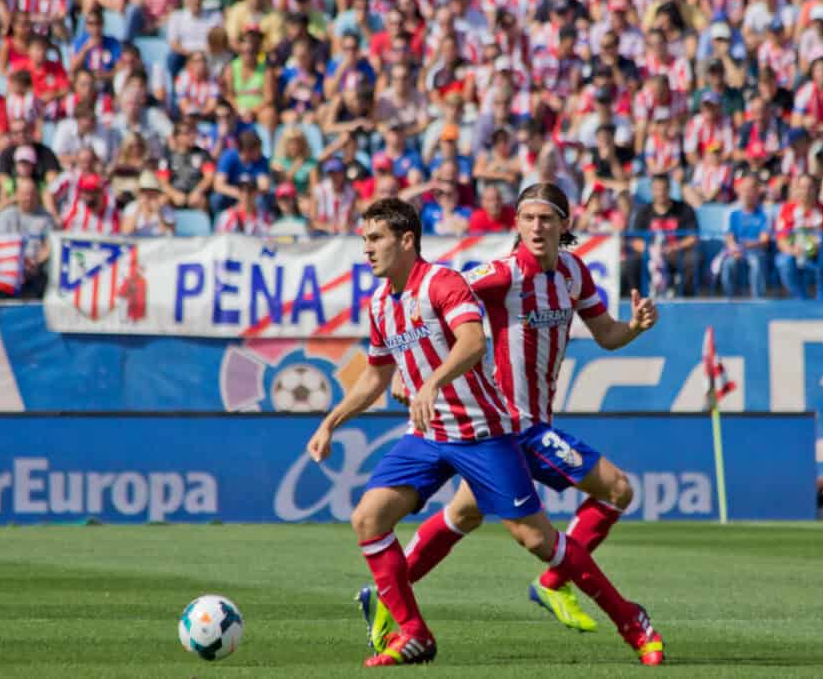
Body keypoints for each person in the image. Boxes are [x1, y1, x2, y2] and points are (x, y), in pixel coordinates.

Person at [307, 197, 663, 667]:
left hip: (486, 430)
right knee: (369, 519)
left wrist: (430, 381)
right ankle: (412, 632)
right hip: (433, 434)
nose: (366, 250)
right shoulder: (380, 306)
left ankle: (629, 619)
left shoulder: (445, 282)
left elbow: (473, 342)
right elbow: (374, 376)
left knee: (535, 538)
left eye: (375, 239)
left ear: (406, 240)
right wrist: (330, 422)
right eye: (364, 241)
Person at [626, 173, 700, 298]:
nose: (660, 193)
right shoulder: (643, 212)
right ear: (652, 190)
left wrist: (675, 247)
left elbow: (693, 237)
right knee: (632, 263)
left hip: (676, 254)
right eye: (657, 189)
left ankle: (687, 298)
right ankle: (637, 300)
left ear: (669, 189)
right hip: (650, 255)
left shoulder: (685, 209)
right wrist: (652, 250)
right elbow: (635, 241)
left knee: (694, 259)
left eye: (664, 189)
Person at [774, 174, 823, 300]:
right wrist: (792, 250)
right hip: (795, 251)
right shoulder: (787, 210)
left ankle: (822, 296)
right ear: (797, 189)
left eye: (810, 187)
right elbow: (781, 239)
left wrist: (820, 247)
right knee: (783, 261)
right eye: (802, 187)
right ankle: (800, 297)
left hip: (819, 252)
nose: (806, 192)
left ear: (816, 189)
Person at [0, 177, 53, 299]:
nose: (29, 198)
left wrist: (36, 262)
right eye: (25, 195)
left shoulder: (46, 218)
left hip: (36, 268)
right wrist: (20, 264)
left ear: (37, 196)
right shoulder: (5, 216)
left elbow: (49, 246)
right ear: (17, 195)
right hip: (10, 268)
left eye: (32, 195)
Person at [719, 173, 770, 299]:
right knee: (728, 264)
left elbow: (764, 240)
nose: (748, 193)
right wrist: (735, 249)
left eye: (752, 189)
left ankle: (757, 298)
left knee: (756, 263)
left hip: (756, 251)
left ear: (758, 191)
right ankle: (729, 297)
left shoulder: (765, 213)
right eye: (745, 189)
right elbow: (729, 237)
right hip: (736, 250)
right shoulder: (733, 213)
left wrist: (748, 245)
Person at [121, 171, 176, 236]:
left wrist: (158, 213)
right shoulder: (131, 207)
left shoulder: (166, 209)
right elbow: (126, 232)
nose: (148, 195)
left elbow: (169, 234)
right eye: (144, 191)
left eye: (152, 191)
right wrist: (138, 210)